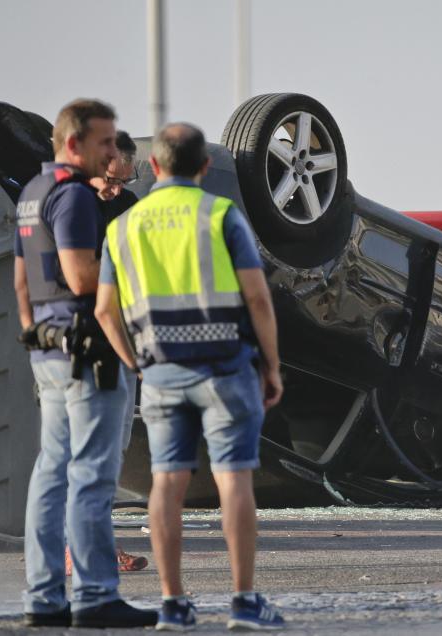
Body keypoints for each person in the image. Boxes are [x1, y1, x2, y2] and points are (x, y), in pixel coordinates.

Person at [95, 122, 286, 631]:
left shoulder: (122, 228)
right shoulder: (222, 216)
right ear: (204, 167)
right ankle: (244, 602)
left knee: (167, 483)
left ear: (152, 167)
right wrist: (271, 365)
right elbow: (259, 299)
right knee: (234, 479)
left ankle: (173, 604)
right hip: (226, 368)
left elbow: (104, 311)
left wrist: (136, 362)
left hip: (161, 372)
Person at [14, 99, 157, 629]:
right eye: (104, 142)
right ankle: (97, 595)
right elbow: (82, 278)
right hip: (90, 350)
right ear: (74, 144)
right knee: (94, 477)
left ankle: (44, 595)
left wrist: (35, 337)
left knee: (50, 474)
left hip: (50, 351)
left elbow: (21, 281)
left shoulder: (32, 192)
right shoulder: (73, 196)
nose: (113, 152)